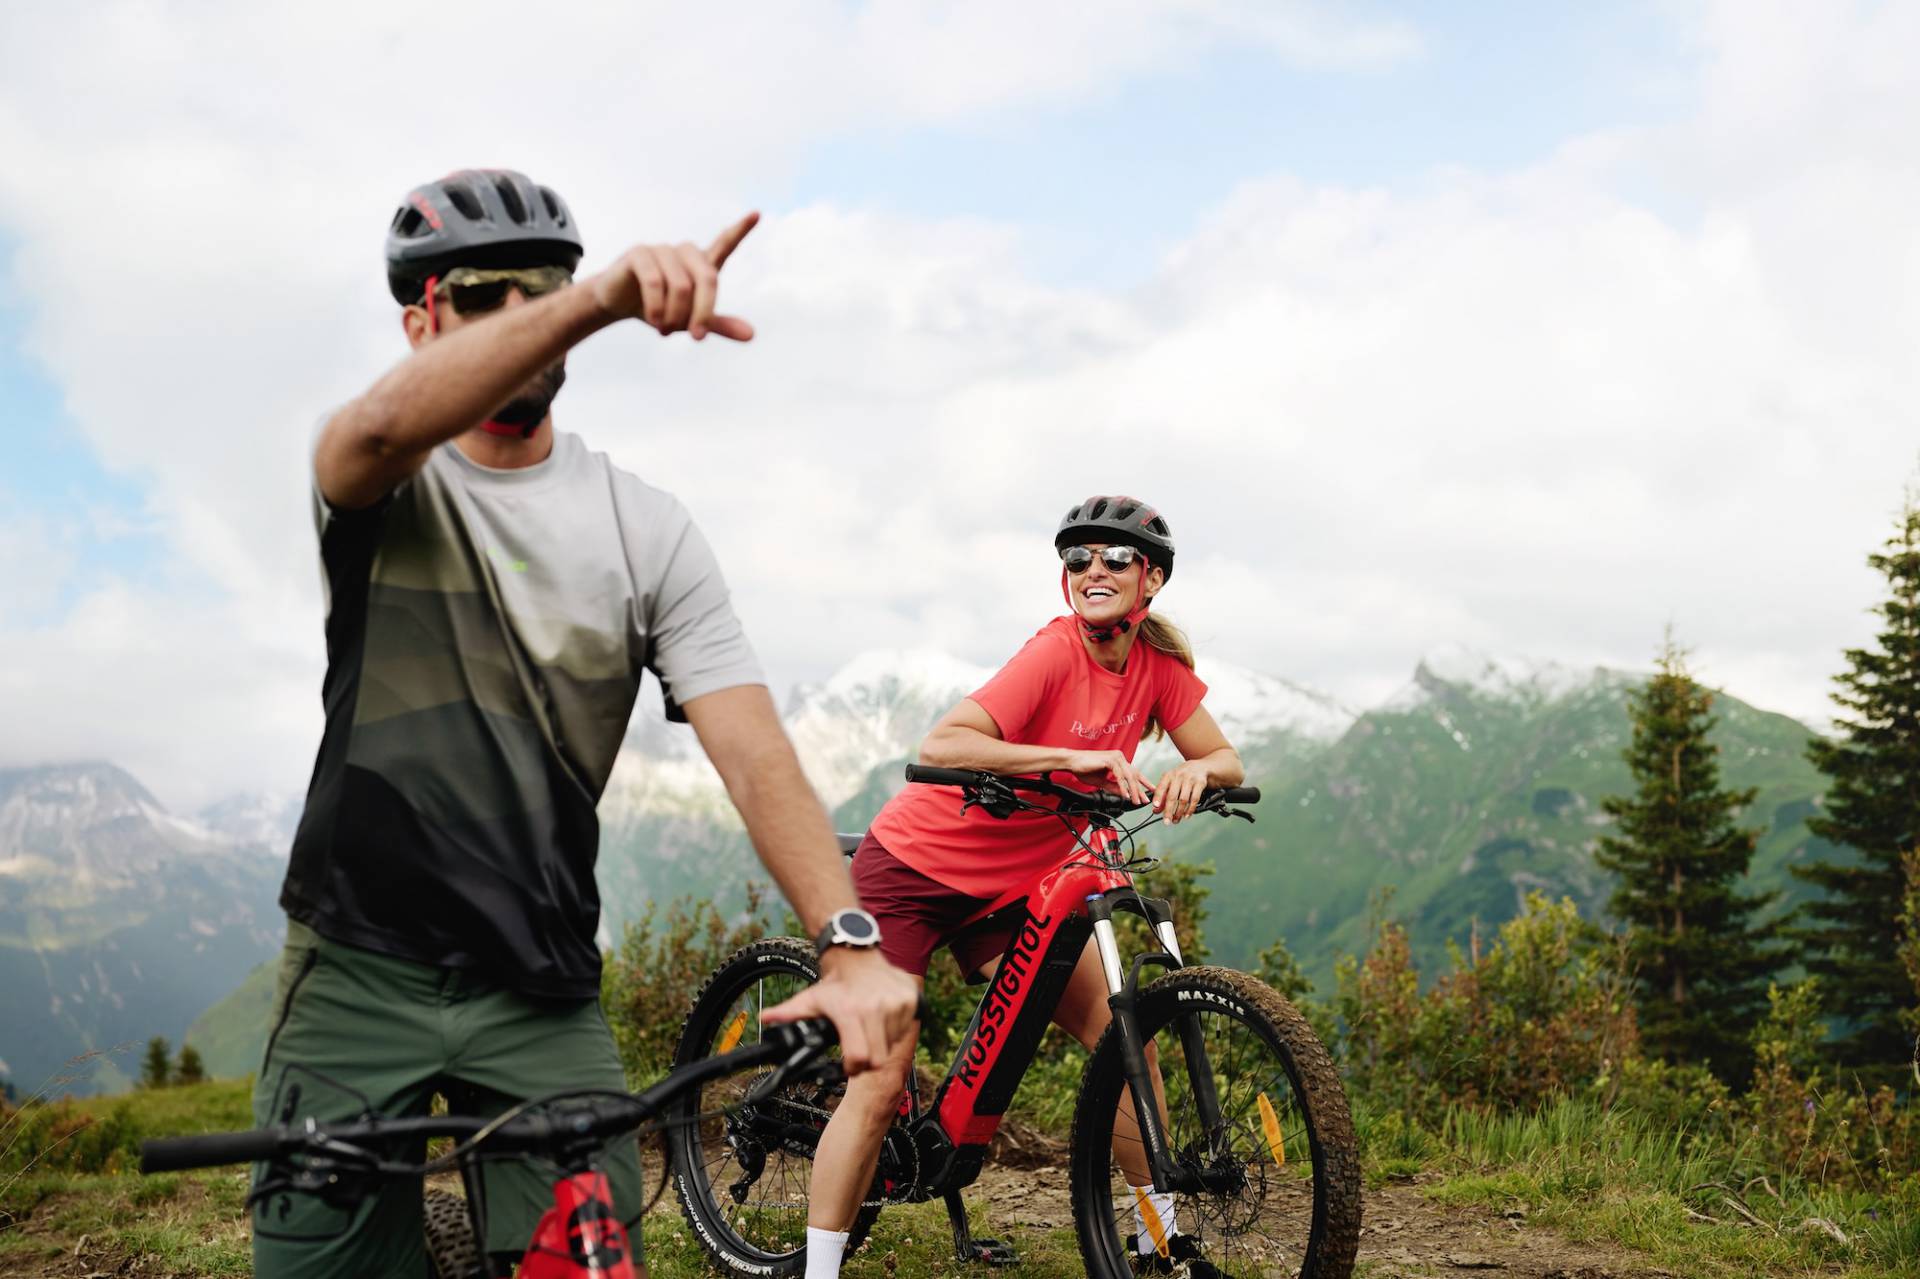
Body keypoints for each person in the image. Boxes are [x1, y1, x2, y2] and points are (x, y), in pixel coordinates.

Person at [256, 168, 917, 1278]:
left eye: (542, 288)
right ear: (421, 318)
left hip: (542, 983)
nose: (521, 316)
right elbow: (375, 424)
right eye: (484, 295)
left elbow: (753, 749)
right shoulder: (382, 481)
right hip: (355, 968)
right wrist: (594, 295)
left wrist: (848, 944)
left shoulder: (645, 529)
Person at [803, 495, 1245, 1278]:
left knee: (1123, 1042)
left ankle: (1157, 1241)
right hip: (909, 873)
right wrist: (1066, 760)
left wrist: (1194, 770)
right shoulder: (1053, 652)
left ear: (1152, 580)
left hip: (1011, 889)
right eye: (1079, 558)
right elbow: (945, 740)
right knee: (878, 1086)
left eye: (1114, 557)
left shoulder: (1159, 671)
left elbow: (1226, 760)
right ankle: (819, 1269)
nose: (1094, 569)